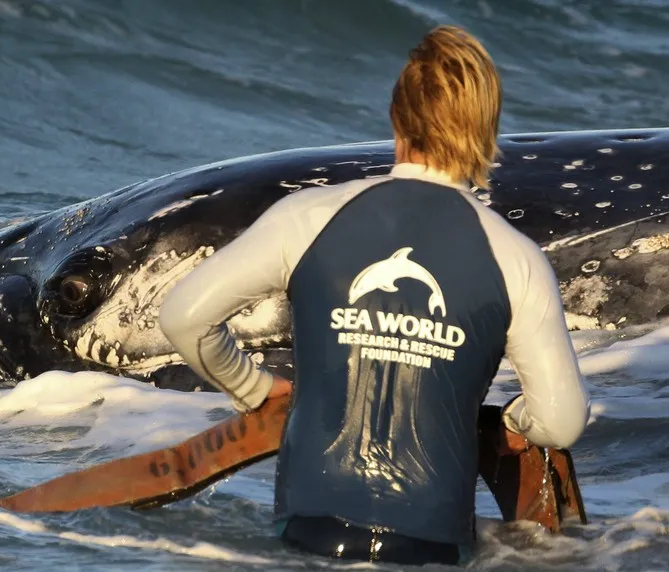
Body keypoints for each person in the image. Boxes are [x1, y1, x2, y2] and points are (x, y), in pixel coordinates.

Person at [158, 25, 591, 567]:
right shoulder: (515, 256)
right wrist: (505, 426)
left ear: (397, 117)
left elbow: (182, 317)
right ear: (486, 130)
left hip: (310, 532)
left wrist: (254, 389)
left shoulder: (308, 217)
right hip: (433, 546)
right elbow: (563, 419)